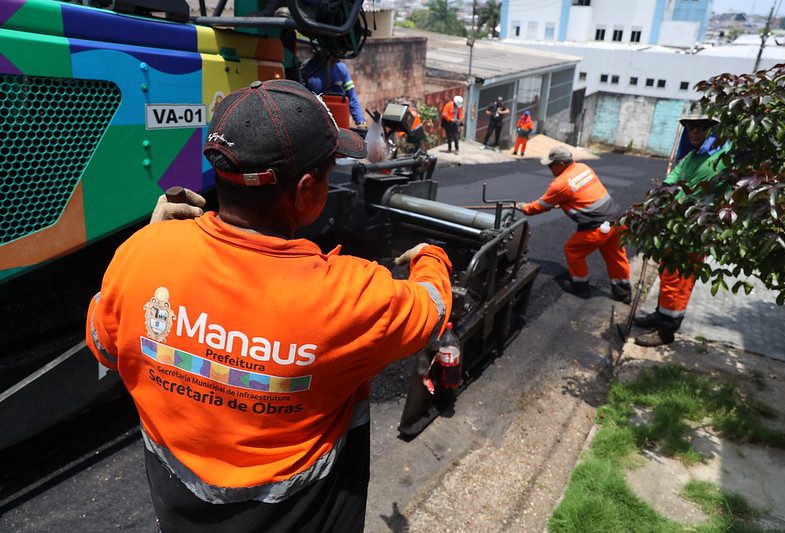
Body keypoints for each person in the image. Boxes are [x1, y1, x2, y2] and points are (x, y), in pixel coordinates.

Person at [86, 79, 453, 532]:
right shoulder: (348, 297)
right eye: (328, 169)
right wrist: (431, 257)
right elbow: (430, 309)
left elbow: (105, 346)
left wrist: (150, 248)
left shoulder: (142, 253)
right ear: (302, 191)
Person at [634, 111, 732, 347]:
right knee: (667, 273)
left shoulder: (722, 158)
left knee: (678, 279)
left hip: (694, 229)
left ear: (712, 130)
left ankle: (666, 331)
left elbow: (698, 194)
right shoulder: (693, 156)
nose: (694, 131)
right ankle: (661, 315)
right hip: (677, 224)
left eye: (700, 127)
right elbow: (673, 180)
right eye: (690, 127)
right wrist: (657, 200)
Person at [522, 146, 632, 303]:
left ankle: (580, 287)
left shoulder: (560, 184)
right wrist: (565, 202)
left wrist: (523, 208)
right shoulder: (583, 167)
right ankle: (623, 293)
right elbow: (583, 194)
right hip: (618, 220)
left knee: (573, 250)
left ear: (560, 164)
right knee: (615, 256)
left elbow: (539, 207)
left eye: (551, 165)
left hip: (598, 227)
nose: (549, 168)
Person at [301, 51, 366, 127]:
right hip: (316, 125)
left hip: (339, 124)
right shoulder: (308, 70)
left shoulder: (341, 69)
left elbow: (352, 98)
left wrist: (360, 122)